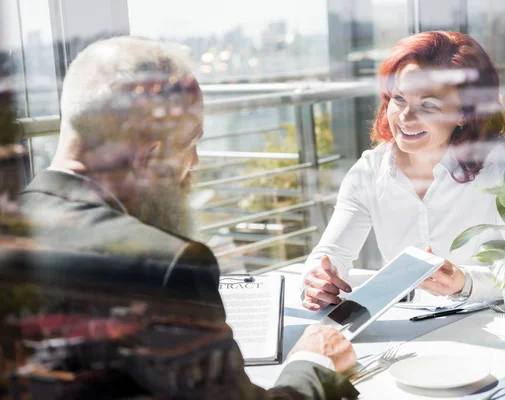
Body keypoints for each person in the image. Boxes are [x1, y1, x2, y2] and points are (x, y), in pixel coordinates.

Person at [18, 36, 358, 399]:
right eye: (189, 144)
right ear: (149, 157)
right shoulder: (164, 265)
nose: (193, 163)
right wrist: (312, 364)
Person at [301, 31, 505, 311]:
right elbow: (330, 254)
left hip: (491, 326)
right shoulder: (370, 171)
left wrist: (464, 282)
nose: (405, 117)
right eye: (399, 99)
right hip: (406, 327)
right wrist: (317, 280)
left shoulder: (503, 166)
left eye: (428, 104)